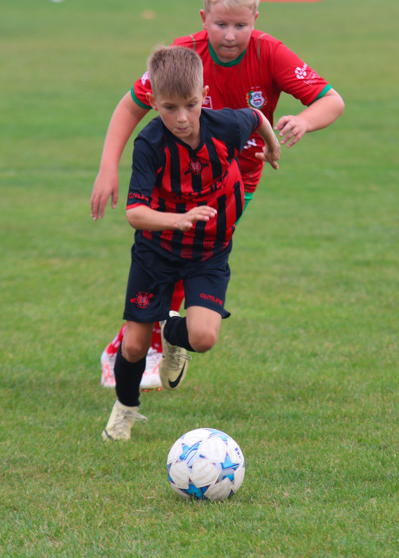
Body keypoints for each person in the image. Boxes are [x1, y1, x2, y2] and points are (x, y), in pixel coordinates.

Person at [91, 0, 344, 390]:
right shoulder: (183, 56)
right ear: (203, 18)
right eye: (220, 23)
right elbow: (131, 105)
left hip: (236, 182)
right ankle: (132, 345)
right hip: (175, 179)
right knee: (167, 251)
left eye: (240, 25)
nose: (230, 34)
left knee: (194, 252)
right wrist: (108, 167)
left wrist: (303, 120)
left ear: (255, 19)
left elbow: (332, 100)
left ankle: (160, 340)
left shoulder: (270, 53)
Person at [102, 45, 281, 440]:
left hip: (209, 253)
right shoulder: (150, 145)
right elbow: (135, 213)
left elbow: (255, 117)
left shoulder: (224, 125)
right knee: (132, 346)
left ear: (203, 94)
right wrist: (179, 219)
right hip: (156, 253)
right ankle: (126, 409)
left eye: (191, 104)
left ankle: (171, 335)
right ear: (152, 102)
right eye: (168, 108)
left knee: (203, 337)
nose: (181, 118)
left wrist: (271, 144)